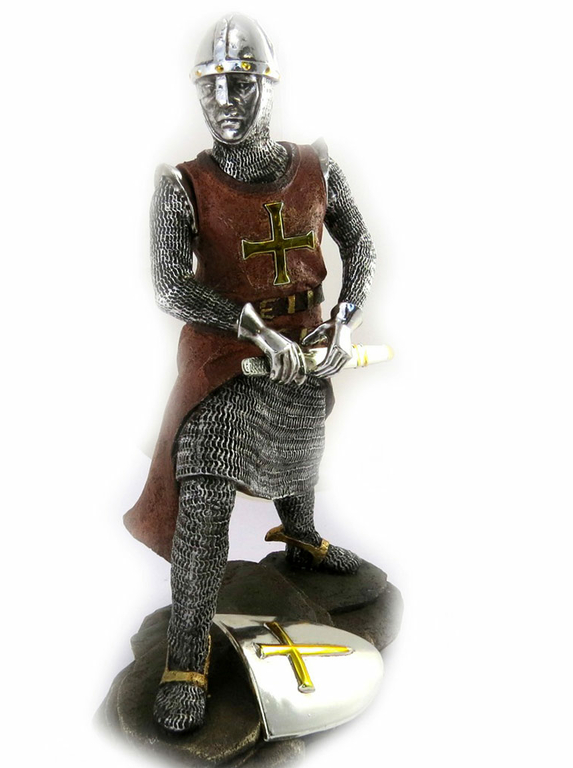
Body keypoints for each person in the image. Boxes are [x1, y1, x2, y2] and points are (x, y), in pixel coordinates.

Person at [123, 14, 377, 734]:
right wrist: (254, 329)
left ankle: (302, 537)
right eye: (211, 87)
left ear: (269, 84)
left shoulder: (316, 166)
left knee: (299, 449)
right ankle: (186, 657)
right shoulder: (183, 185)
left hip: (306, 347)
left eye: (240, 83)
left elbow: (359, 244)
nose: (225, 102)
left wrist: (345, 320)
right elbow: (171, 285)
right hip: (224, 361)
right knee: (206, 489)